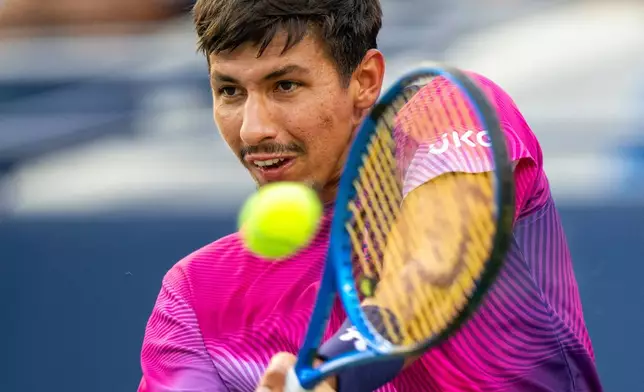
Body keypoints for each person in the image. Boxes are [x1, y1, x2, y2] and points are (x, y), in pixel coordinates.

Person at [138, 0, 603, 390]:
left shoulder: (448, 112)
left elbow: (429, 279)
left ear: (364, 81)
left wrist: (329, 374)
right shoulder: (195, 296)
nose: (253, 129)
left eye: (285, 85)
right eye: (230, 91)